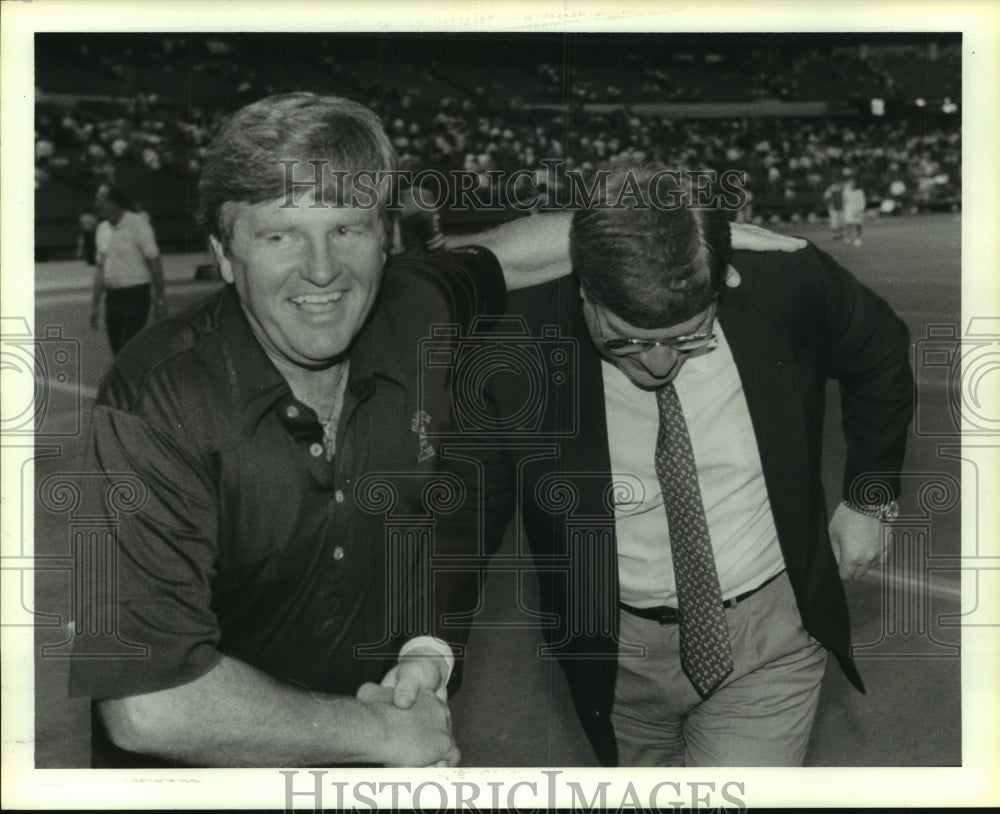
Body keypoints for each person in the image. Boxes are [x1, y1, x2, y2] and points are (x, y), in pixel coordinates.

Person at [67, 94, 805, 768]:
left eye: (346, 228)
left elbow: (512, 254)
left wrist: (656, 231)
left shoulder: (413, 306)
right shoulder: (156, 398)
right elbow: (147, 704)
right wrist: (380, 734)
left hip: (381, 749)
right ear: (226, 255)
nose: (322, 270)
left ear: (388, 240)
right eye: (280, 235)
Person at [473, 163, 912, 766]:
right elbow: (469, 502)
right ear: (583, 289)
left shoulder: (781, 277)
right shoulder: (515, 334)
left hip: (768, 631)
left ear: (722, 282)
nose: (657, 364)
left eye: (688, 338)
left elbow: (881, 348)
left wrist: (870, 496)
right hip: (614, 648)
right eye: (625, 340)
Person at [89, 183, 167, 355]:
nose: (97, 204)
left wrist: (160, 299)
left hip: (136, 296)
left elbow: (154, 261)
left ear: (114, 202)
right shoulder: (102, 230)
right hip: (113, 298)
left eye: (101, 199)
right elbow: (100, 269)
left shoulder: (137, 224)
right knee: (117, 350)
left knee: (127, 347)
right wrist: (95, 305)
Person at [843, 176, 867, 246]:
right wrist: (846, 209)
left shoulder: (860, 192)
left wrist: (860, 210)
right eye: (850, 183)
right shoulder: (846, 192)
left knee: (858, 225)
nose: (852, 184)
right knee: (848, 224)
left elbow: (862, 202)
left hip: (858, 210)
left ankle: (858, 239)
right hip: (849, 210)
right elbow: (845, 201)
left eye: (853, 183)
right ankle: (847, 238)